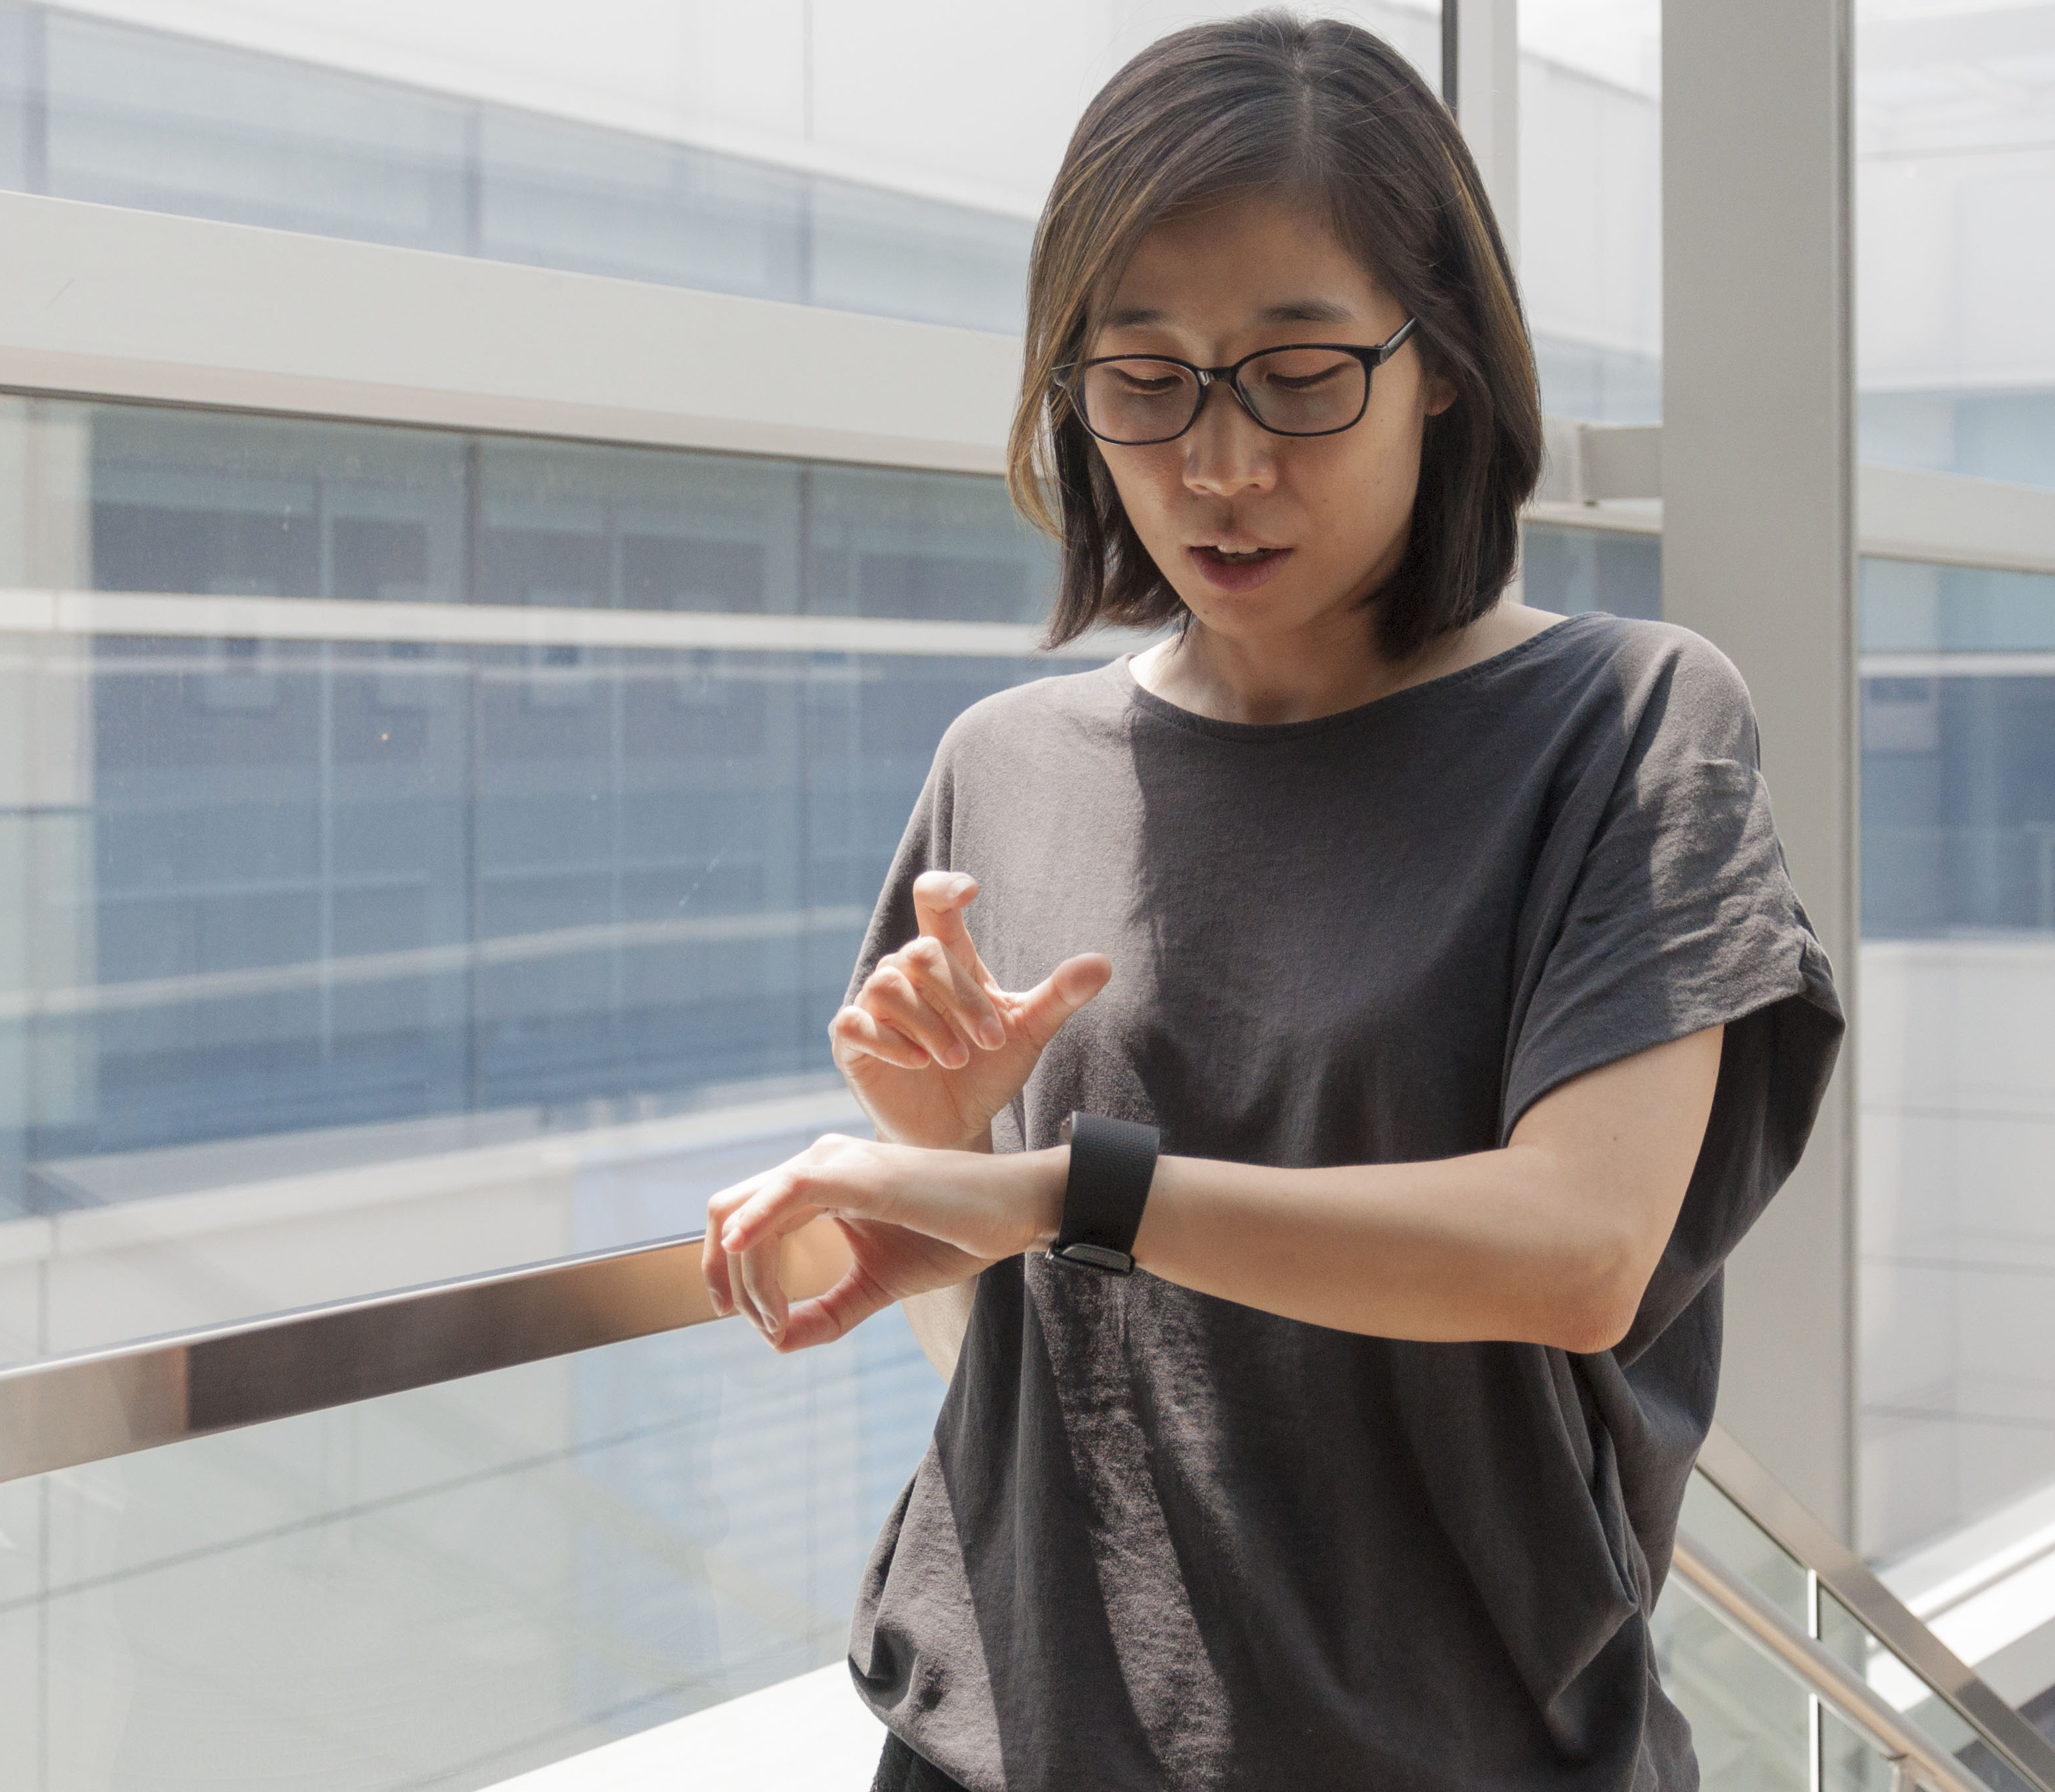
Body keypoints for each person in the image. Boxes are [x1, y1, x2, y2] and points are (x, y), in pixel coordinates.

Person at [697, 13, 1845, 1791]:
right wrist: (947, 1144)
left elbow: (1582, 1254)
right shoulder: (1007, 763)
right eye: (1143, 380)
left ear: (1442, 359)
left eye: (1300, 374)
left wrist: (1039, 1177)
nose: (1219, 467)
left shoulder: (1625, 727)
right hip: (1008, 1744)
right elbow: (1016, 1384)